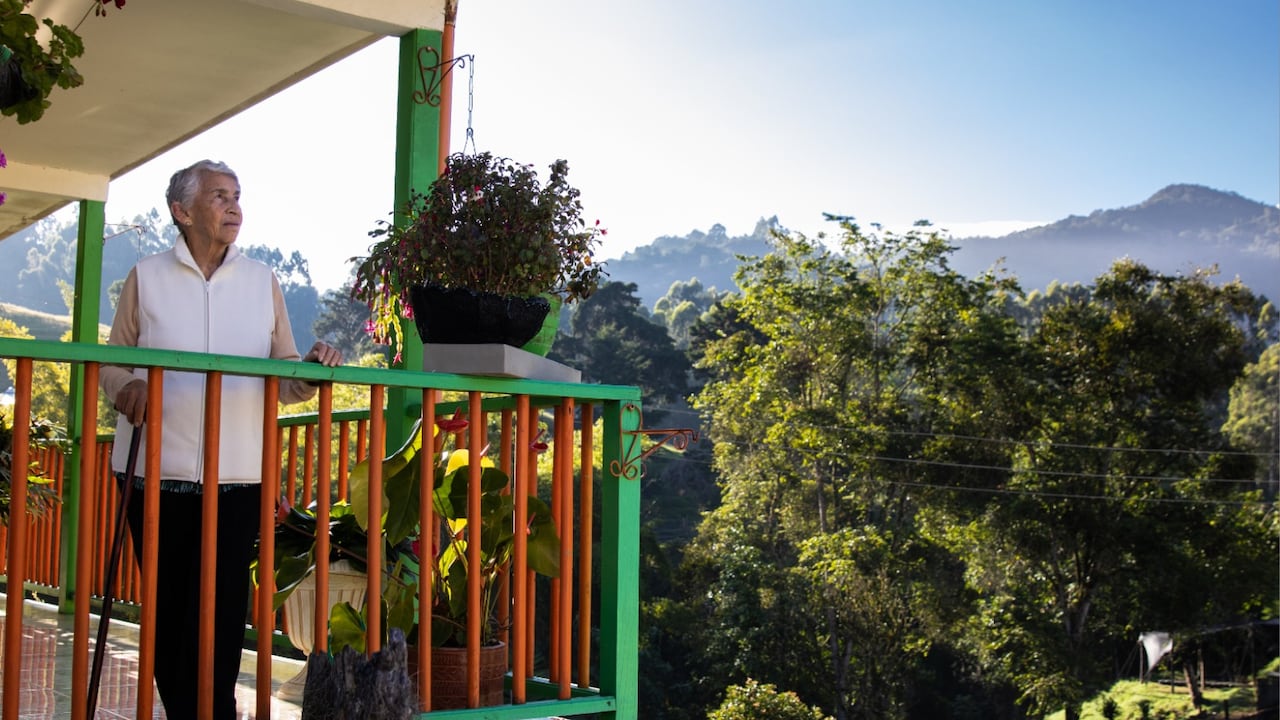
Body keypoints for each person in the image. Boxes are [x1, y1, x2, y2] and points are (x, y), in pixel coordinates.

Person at [100, 159, 343, 719]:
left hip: (238, 475)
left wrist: (308, 370)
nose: (234, 206)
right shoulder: (147, 276)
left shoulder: (262, 281)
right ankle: (191, 710)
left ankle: (215, 711)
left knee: (223, 609)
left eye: (236, 195)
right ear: (181, 212)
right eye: (218, 196)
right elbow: (112, 362)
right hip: (154, 471)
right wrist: (128, 386)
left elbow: (284, 375)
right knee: (169, 610)